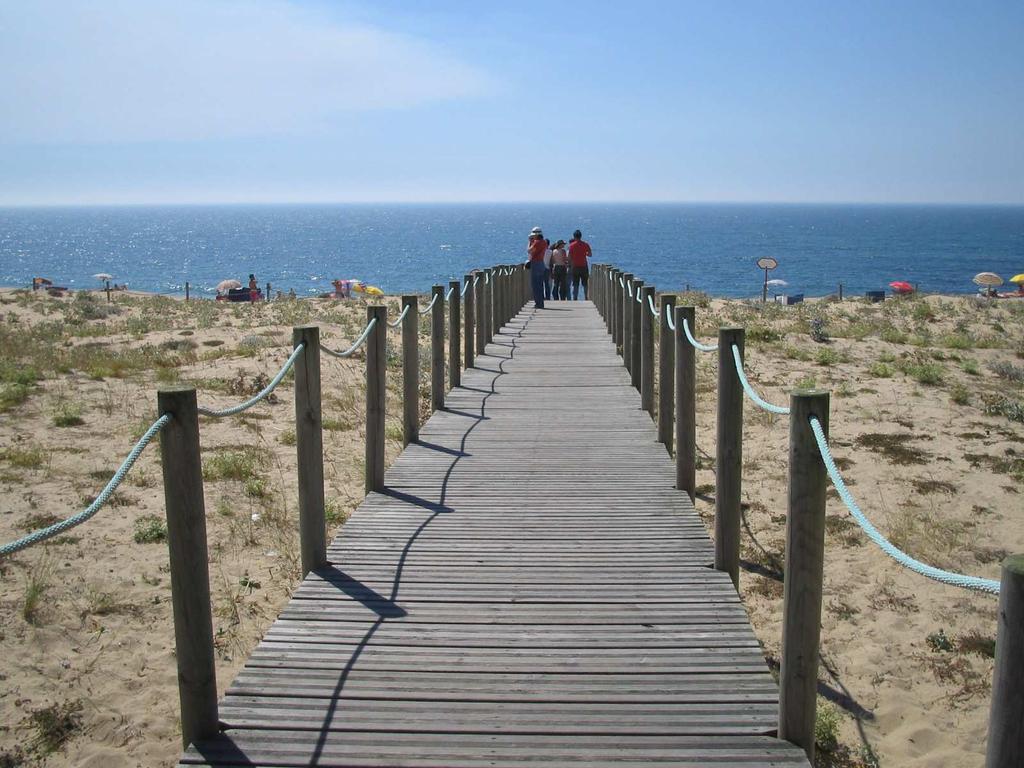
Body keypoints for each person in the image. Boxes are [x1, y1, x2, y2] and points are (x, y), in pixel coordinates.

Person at [568, 229, 592, 300]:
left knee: (575, 284)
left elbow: (569, 257)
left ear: (574, 237)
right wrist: (585, 253)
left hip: (575, 267)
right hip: (584, 266)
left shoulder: (571, 246)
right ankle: (586, 297)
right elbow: (590, 254)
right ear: (581, 236)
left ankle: (575, 298)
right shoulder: (585, 244)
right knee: (585, 283)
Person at [527, 226, 547, 308]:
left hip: (536, 264)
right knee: (540, 284)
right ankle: (540, 302)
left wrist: (530, 242)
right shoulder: (544, 242)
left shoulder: (537, 242)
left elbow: (529, 251)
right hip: (541, 263)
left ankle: (538, 303)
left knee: (535, 285)